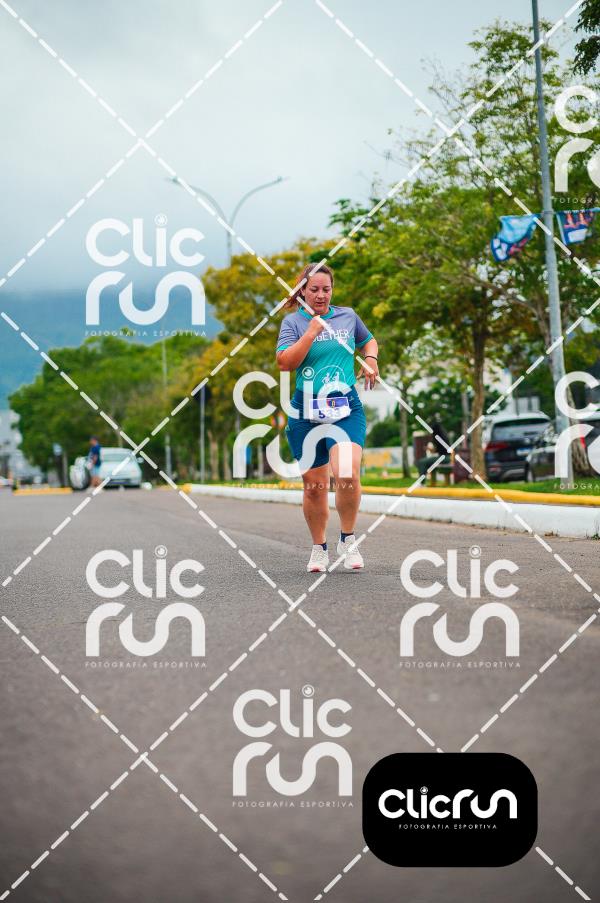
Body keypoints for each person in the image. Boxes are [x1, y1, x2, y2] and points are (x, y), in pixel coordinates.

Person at [276, 263, 379, 573]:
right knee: (314, 486)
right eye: (314, 290)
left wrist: (370, 358)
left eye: (326, 289)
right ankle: (319, 548)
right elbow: (285, 362)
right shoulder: (293, 323)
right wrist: (310, 333)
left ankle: (347, 539)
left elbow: (368, 340)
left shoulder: (347, 316)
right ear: (302, 292)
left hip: (345, 408)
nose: (321, 295)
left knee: (346, 473)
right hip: (305, 412)